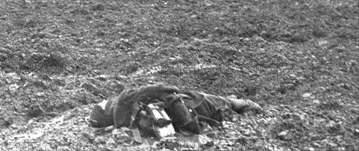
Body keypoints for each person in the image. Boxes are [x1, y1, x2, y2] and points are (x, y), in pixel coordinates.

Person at [88, 84, 261, 138]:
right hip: (181, 107)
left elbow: (157, 91)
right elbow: (152, 90)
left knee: (217, 104)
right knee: (213, 102)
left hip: (184, 110)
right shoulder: (122, 106)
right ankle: (237, 102)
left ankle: (238, 102)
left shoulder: (123, 113)